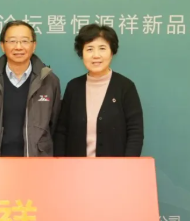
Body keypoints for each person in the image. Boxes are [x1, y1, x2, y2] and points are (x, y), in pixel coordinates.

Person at [54, 23, 143, 157]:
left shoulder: (125, 87)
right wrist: (60, 162)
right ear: (82, 53)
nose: (96, 55)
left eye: (102, 48)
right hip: (76, 166)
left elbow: (135, 132)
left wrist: (127, 165)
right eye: (89, 49)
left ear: (112, 52)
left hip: (115, 167)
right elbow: (62, 131)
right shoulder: (73, 87)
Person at [0, 20, 61, 157]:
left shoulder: (49, 81)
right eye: (12, 41)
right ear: (2, 45)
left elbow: (55, 125)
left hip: (37, 161)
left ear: (34, 45)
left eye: (25, 41)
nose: (18, 47)